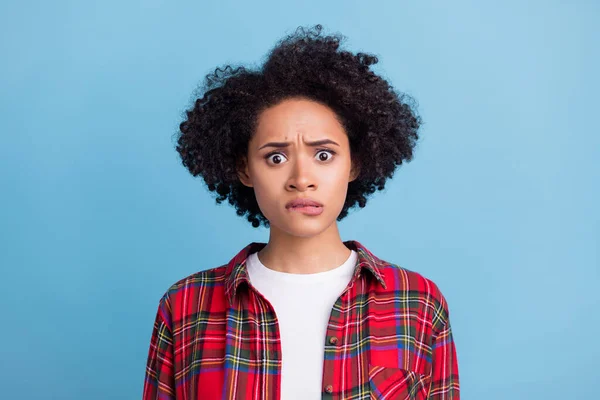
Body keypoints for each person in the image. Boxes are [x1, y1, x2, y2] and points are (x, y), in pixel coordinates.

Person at [142, 24, 459, 400]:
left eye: (323, 155)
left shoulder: (417, 302)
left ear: (354, 163)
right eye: (275, 157)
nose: (301, 178)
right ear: (245, 169)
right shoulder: (185, 307)